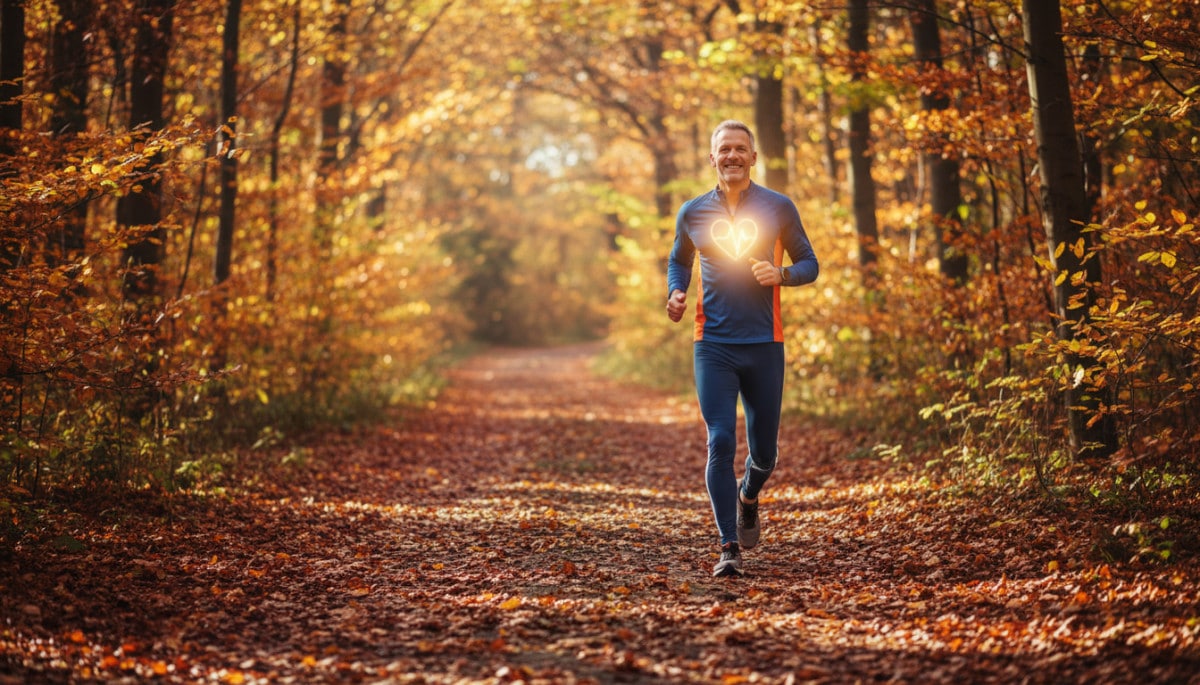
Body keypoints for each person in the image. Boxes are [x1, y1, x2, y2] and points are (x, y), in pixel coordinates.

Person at [666, 120, 819, 577]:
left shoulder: (778, 207)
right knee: (720, 440)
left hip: (764, 343)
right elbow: (679, 260)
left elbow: (809, 263)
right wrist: (676, 292)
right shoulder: (692, 212)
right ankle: (728, 546)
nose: (732, 156)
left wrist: (783, 276)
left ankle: (749, 494)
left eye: (740, 149)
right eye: (723, 150)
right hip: (712, 344)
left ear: (753, 158)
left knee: (765, 452)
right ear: (711, 158)